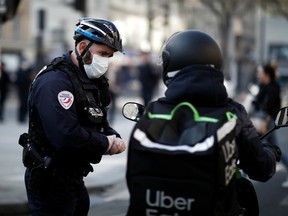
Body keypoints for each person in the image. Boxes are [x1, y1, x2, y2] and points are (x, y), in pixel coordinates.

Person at [125, 30, 281, 215]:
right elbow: (260, 169)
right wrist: (271, 152)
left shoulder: (152, 111)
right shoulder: (233, 113)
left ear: (169, 67)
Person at [19, 18, 126, 216]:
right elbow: (64, 135)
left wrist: (113, 136)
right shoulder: (55, 81)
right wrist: (105, 143)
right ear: (83, 46)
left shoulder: (87, 79)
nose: (105, 61)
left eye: (109, 56)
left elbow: (96, 120)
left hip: (73, 177)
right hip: (50, 180)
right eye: (102, 54)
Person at [15, 59, 34, 123]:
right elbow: (18, 81)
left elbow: (31, 79)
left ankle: (22, 117)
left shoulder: (28, 71)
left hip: (26, 90)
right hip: (21, 90)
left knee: (25, 104)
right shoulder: (20, 71)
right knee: (22, 104)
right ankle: (20, 118)